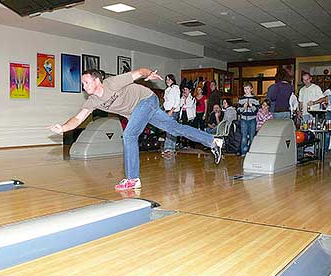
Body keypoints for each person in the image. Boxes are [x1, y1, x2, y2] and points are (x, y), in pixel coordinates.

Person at [49, 68, 223, 190]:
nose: (84, 86)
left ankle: (133, 179)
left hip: (147, 100)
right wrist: (63, 127)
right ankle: (213, 141)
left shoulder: (113, 83)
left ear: (97, 81)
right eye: (83, 83)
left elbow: (139, 72)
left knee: (129, 135)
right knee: (176, 129)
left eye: (86, 82)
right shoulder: (93, 101)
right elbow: (78, 118)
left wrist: (150, 74)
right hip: (141, 110)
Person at [237, 81, 260, 156]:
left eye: (247, 89)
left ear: (251, 89)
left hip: (252, 119)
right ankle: (243, 152)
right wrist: (243, 108)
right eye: (245, 89)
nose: (246, 90)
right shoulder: (241, 99)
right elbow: (238, 111)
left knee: (252, 137)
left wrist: (251, 106)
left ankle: (251, 152)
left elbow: (257, 110)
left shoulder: (255, 99)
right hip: (244, 119)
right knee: (244, 137)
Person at [162, 74, 181, 156]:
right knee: (168, 129)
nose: (167, 81)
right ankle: (168, 148)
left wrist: (171, 110)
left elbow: (177, 101)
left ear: (173, 80)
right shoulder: (167, 90)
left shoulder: (175, 88)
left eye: (169, 79)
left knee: (171, 130)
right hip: (167, 111)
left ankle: (170, 148)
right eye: (166, 79)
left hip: (172, 111)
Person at [179, 83, 196, 148]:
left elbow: (189, 105)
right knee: (184, 130)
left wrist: (184, 105)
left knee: (190, 130)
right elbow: (180, 105)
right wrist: (183, 99)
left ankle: (191, 144)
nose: (185, 91)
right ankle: (184, 144)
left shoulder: (192, 98)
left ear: (190, 90)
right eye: (184, 90)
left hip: (189, 116)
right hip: (183, 115)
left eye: (186, 90)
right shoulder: (182, 98)